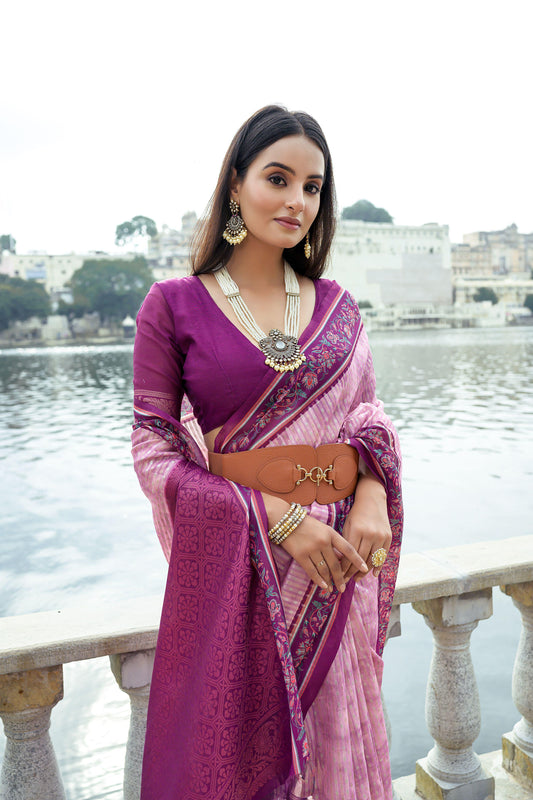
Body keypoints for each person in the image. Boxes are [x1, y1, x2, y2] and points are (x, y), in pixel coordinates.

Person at [132, 105, 403, 800]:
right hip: (245, 574)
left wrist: (370, 494)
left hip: (329, 571)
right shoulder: (173, 307)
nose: (296, 201)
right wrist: (278, 518)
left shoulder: (337, 307)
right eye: (277, 178)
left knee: (334, 764)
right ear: (234, 185)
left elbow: (368, 420)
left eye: (312, 187)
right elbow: (154, 451)